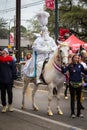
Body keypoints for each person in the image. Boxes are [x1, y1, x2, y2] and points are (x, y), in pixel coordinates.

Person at [0, 48, 17, 113]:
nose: (3, 52)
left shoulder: (11, 60)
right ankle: (4, 106)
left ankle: (10, 105)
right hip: (1, 80)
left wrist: (14, 77)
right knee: (2, 93)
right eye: (2, 52)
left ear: (7, 53)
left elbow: (14, 69)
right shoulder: (0, 60)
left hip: (9, 80)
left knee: (10, 92)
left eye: (4, 52)